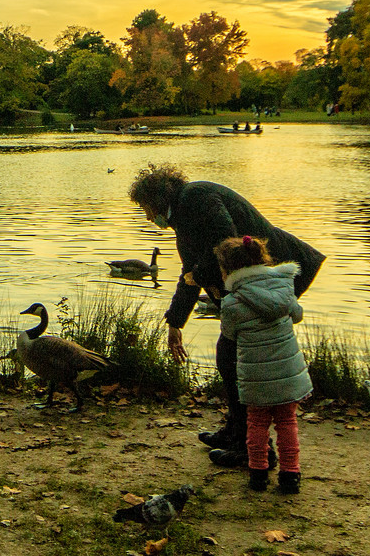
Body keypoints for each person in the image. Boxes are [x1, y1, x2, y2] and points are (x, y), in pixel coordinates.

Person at [126, 164, 324, 467]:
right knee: (227, 356)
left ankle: (252, 449)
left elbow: (225, 242)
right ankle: (237, 432)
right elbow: (189, 272)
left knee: (232, 359)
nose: (149, 217)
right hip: (255, 283)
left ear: (156, 198)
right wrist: (175, 323)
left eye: (145, 209)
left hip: (270, 277)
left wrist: (199, 275)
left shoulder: (196, 198)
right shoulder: (184, 212)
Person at [215, 234, 311, 494]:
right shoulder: (284, 288)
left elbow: (230, 335)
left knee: (256, 423)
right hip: (288, 373)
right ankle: (291, 475)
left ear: (229, 271)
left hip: (255, 376)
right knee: (287, 423)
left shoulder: (232, 303)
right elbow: (298, 315)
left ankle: (258, 474)